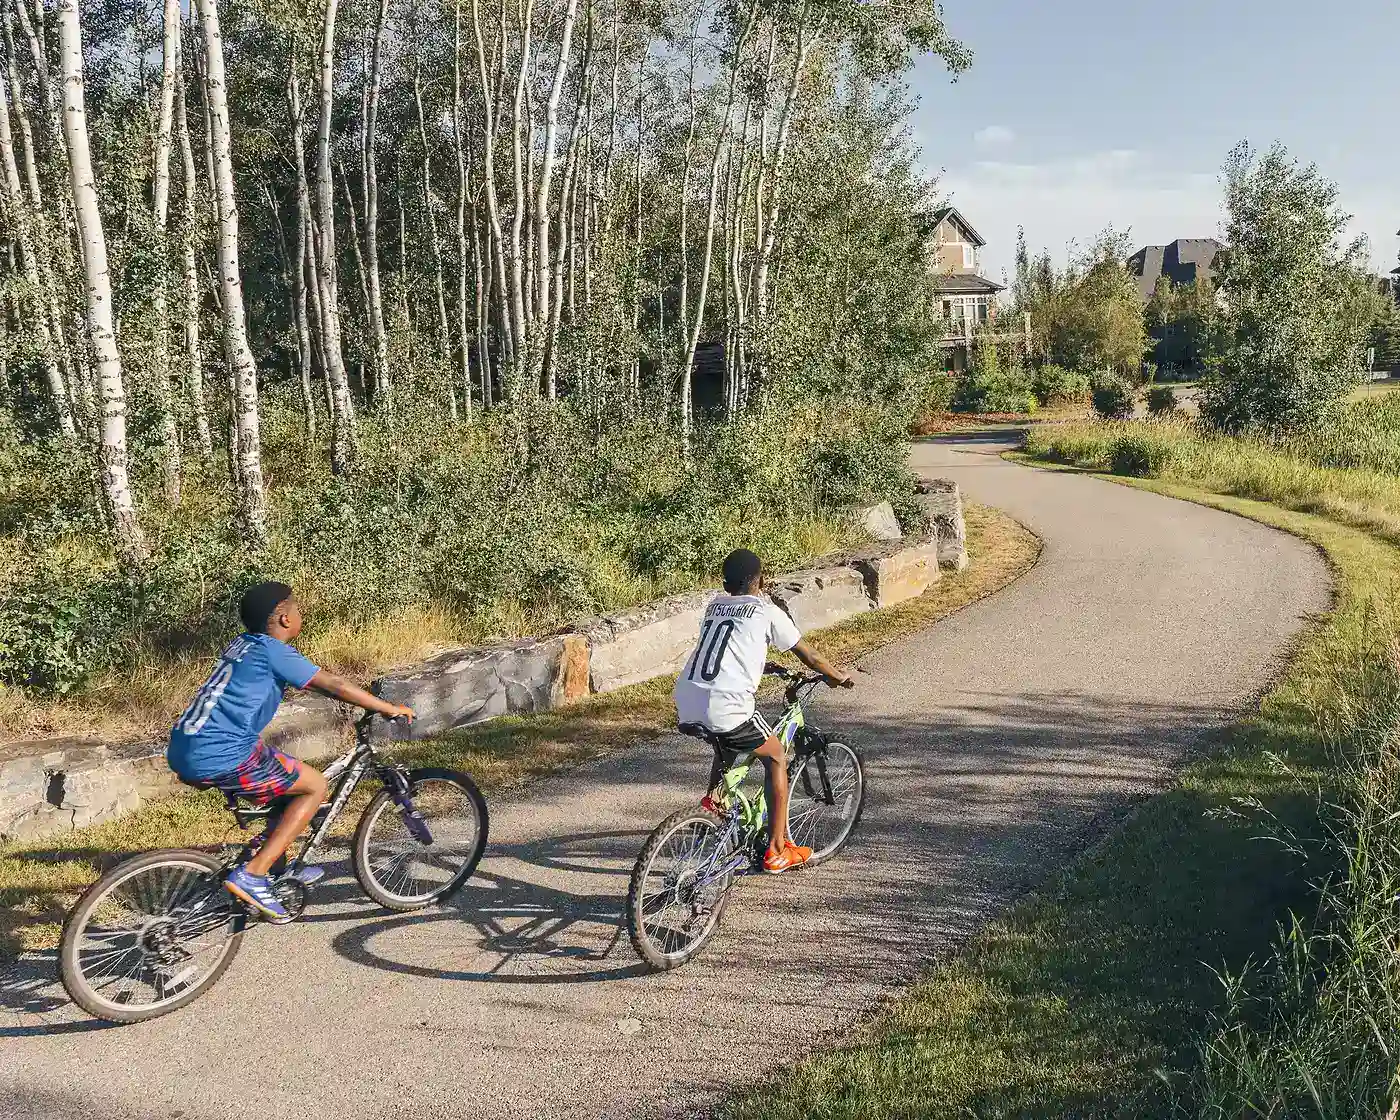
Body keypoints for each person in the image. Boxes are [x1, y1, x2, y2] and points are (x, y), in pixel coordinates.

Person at [167, 580, 414, 921]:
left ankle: (275, 867)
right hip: (222, 751)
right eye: (297, 608)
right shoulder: (274, 651)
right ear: (285, 618)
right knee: (314, 785)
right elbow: (334, 684)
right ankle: (253, 874)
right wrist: (386, 707)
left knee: (287, 781)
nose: (301, 613)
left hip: (185, 744)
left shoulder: (242, 645)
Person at [674, 548, 854, 873]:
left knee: (728, 740)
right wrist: (836, 676)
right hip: (727, 704)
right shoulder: (766, 610)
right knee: (776, 756)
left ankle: (714, 803)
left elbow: (726, 649)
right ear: (761, 580)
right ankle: (777, 850)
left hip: (687, 698)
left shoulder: (714, 607)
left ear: (725, 583)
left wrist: (761, 664)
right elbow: (810, 656)